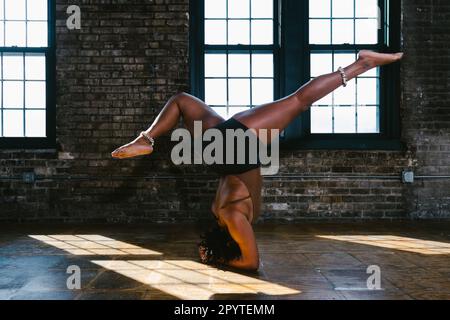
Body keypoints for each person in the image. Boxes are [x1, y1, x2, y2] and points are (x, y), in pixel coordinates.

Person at [111, 50, 404, 271]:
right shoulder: (220, 211)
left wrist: (219, 262)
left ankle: (361, 64)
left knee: (299, 101)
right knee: (182, 101)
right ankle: (147, 138)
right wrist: (212, 254)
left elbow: (251, 263)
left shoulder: (234, 218)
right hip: (222, 154)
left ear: (232, 242)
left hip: (235, 152)